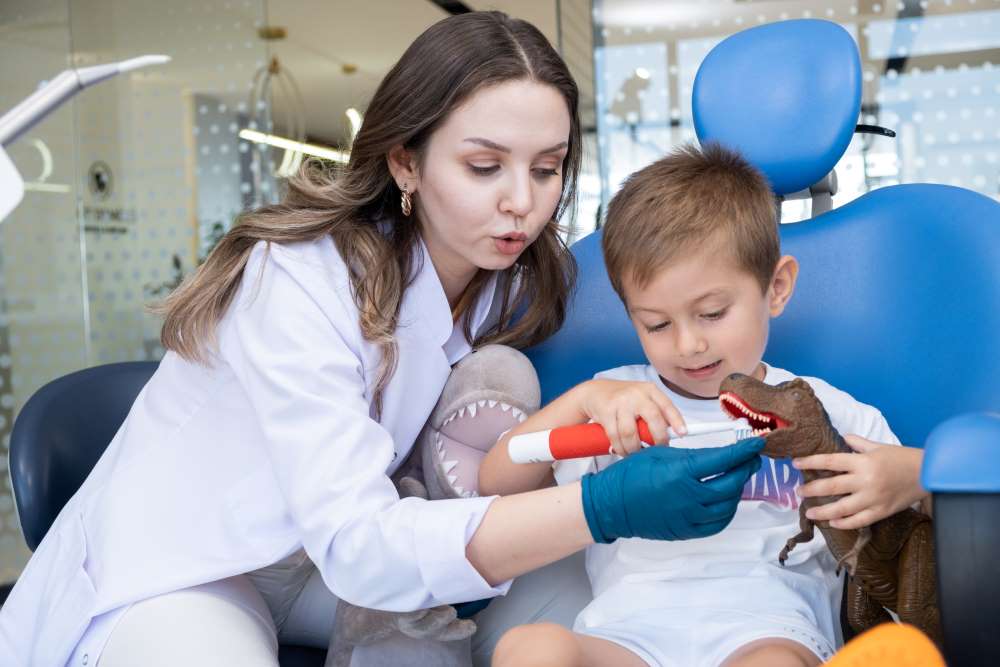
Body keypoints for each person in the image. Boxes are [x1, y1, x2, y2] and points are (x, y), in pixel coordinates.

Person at [0, 13, 766, 667]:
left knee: (566, 602)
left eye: (547, 168)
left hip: (326, 564)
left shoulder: (509, 280)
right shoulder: (299, 276)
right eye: (484, 165)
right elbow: (361, 541)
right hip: (193, 560)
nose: (522, 204)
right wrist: (603, 506)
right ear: (405, 158)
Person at [481, 142, 928, 667]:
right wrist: (583, 399)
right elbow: (494, 482)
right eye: (657, 324)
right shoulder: (615, 402)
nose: (688, 345)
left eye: (712, 313)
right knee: (530, 649)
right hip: (627, 635)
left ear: (776, 288)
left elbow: (957, 503)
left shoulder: (820, 409)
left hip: (768, 631)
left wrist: (914, 476)